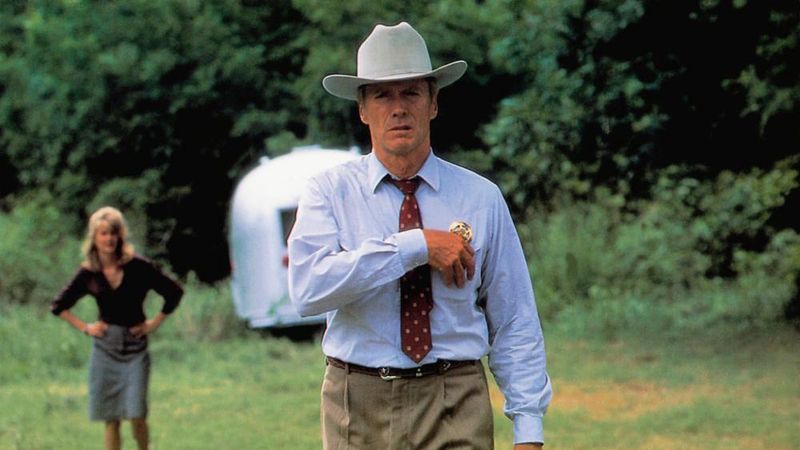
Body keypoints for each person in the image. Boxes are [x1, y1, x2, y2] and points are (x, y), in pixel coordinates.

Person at [288, 22, 552, 449]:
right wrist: (416, 246)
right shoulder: (329, 192)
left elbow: (514, 318)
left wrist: (528, 429)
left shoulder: (480, 197)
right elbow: (307, 290)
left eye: (411, 93)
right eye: (382, 95)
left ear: (433, 103)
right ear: (362, 109)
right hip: (357, 401)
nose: (398, 109)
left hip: (455, 397)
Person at [51, 206, 183, 450]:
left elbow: (174, 292)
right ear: (94, 237)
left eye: (113, 233)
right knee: (111, 417)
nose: (109, 239)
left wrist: (154, 323)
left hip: (135, 346)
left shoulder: (139, 266)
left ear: (121, 235)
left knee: (136, 413)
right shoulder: (88, 273)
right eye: (103, 233)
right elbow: (59, 306)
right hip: (105, 347)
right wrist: (86, 328)